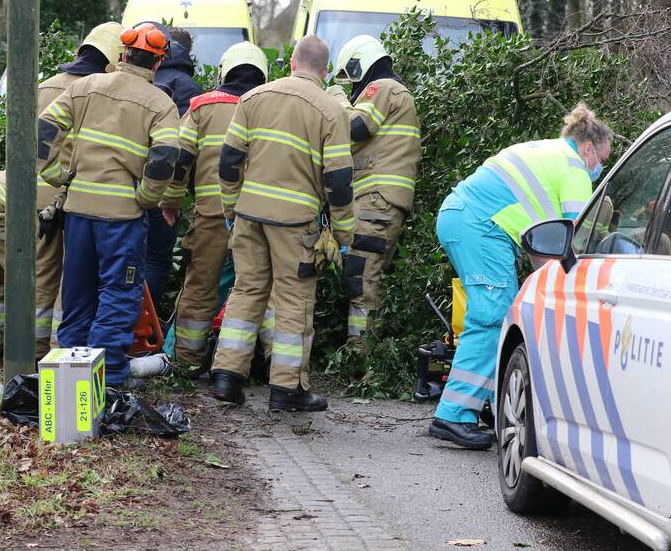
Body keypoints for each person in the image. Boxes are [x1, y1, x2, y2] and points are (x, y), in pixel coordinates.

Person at [428, 103, 612, 448]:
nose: (599, 170)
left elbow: (544, 248)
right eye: (601, 161)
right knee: (493, 314)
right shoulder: (573, 167)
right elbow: (579, 238)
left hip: (464, 218)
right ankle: (453, 414)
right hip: (480, 226)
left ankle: (481, 402)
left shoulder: (547, 153)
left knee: (502, 308)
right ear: (588, 148)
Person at [0, 22, 123, 360]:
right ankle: (36, 354)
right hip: (42, 200)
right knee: (43, 278)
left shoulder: (45, 85)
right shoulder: (97, 93)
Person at [209, 35, 354, 412]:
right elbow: (338, 182)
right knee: (293, 300)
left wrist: (231, 209)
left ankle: (226, 377)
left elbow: (227, 162)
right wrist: (342, 234)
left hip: (249, 215)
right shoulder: (330, 110)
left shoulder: (253, 99)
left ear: (291, 62)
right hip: (295, 223)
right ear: (325, 71)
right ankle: (287, 389)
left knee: (247, 291)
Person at [36, 22, 180, 388]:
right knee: (118, 293)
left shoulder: (84, 87)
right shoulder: (160, 104)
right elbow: (164, 157)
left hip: (79, 211)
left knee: (78, 293)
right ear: (158, 64)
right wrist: (147, 197)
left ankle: (69, 378)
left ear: (122, 55)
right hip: (122, 218)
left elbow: (42, 131)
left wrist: (57, 175)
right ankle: (109, 378)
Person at [160, 41, 268, 371]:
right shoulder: (269, 105)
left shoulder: (201, 106)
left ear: (224, 70)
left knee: (201, 287)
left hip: (211, 215)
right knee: (257, 291)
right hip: (258, 218)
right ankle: (259, 366)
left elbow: (180, 160)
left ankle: (185, 362)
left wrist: (171, 201)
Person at [331, 34, 421, 345]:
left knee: (362, 275)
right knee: (368, 273)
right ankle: (366, 352)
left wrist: (337, 100)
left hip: (376, 200)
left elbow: (356, 128)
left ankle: (360, 354)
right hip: (381, 201)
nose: (351, 84)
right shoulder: (396, 92)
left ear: (361, 64)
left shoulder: (382, 88)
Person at [148, 28, 204, 308]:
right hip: (162, 186)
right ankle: (147, 324)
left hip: (128, 183)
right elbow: (186, 150)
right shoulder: (188, 86)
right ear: (186, 53)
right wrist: (180, 195)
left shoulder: (145, 75)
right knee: (156, 258)